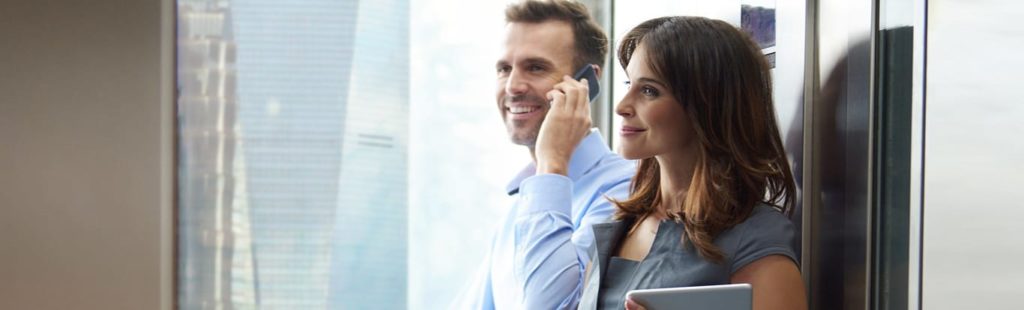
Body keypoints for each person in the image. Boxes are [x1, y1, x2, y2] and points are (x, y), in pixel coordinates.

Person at [576, 16, 807, 310]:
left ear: (706, 106)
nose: (622, 107)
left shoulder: (754, 238)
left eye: (649, 91)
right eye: (628, 84)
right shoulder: (617, 225)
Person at [452, 1, 636, 309]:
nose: (513, 86)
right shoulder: (520, 207)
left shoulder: (625, 190)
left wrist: (553, 162)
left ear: (586, 84)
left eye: (535, 67)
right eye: (504, 69)